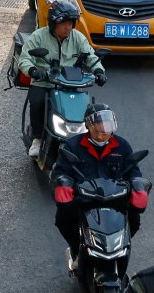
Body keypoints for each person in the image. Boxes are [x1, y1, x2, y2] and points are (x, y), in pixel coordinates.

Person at [53, 102, 148, 266]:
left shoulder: (122, 146)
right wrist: (64, 184)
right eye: (99, 124)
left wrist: (137, 184)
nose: (103, 129)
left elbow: (133, 170)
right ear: (89, 126)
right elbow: (61, 170)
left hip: (115, 200)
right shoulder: (73, 146)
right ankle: (77, 249)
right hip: (85, 201)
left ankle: (119, 248)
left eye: (107, 124)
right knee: (63, 219)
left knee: (134, 220)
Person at [17, 1, 106, 157]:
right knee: (37, 102)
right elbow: (25, 59)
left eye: (71, 23)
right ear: (53, 23)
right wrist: (34, 71)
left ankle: (83, 136)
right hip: (44, 82)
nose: (68, 27)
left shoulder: (77, 37)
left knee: (83, 107)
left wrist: (99, 71)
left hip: (69, 84)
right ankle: (37, 138)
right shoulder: (39, 36)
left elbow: (91, 56)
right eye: (64, 23)